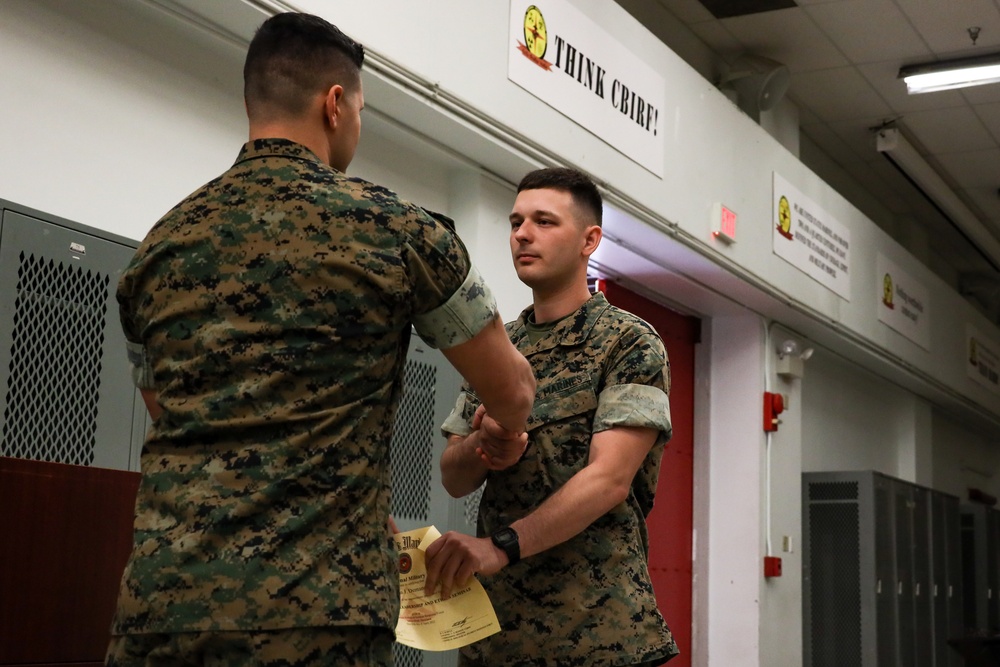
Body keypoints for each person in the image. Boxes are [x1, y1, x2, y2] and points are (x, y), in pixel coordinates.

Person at [107, 12, 534, 667]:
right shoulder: (400, 231)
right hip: (316, 612)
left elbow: (174, 411)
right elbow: (512, 388)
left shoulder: (157, 250)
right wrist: (501, 431)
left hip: (162, 607)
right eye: (361, 109)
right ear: (336, 104)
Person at [426, 167, 679, 666]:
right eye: (516, 221)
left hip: (597, 634)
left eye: (544, 221)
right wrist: (485, 445)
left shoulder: (628, 342)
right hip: (499, 637)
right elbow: (453, 477)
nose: (522, 234)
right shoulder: (500, 348)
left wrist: (499, 547)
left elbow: (609, 480)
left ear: (590, 240)